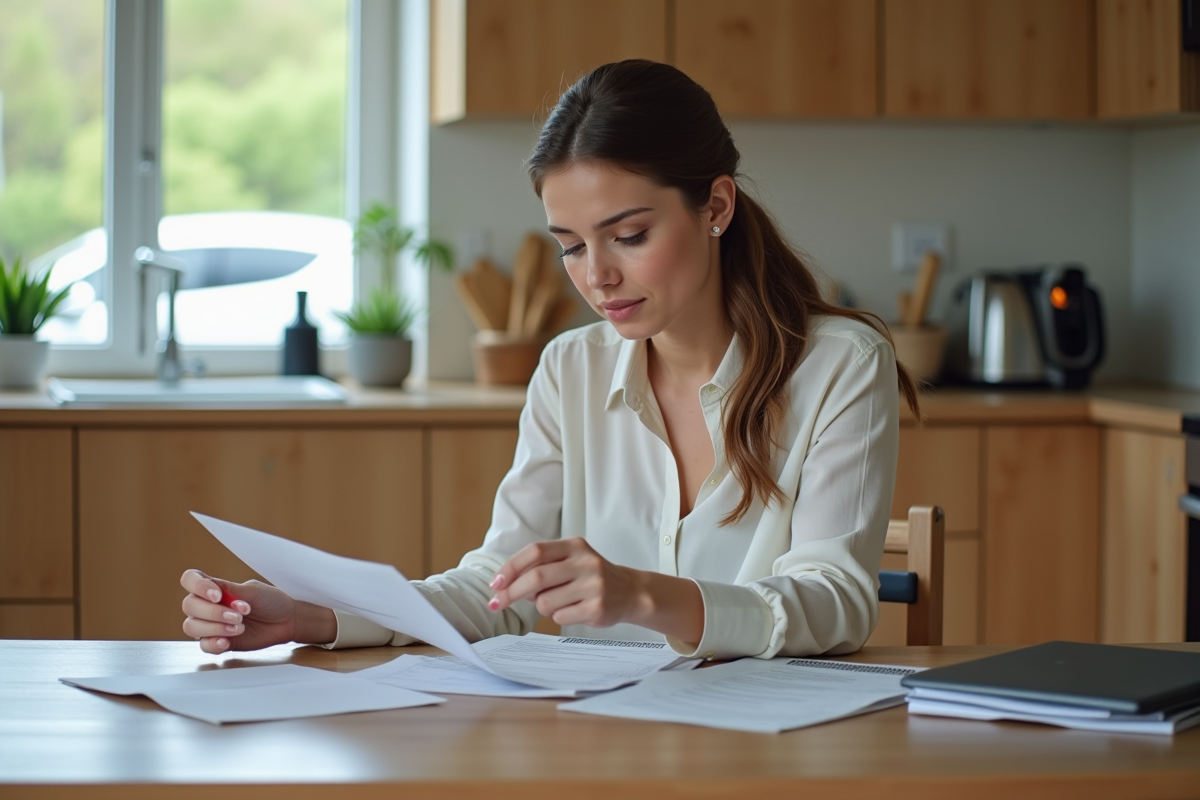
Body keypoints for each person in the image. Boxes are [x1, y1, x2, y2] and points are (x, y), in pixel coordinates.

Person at [180, 59, 921, 661]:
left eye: (628, 235)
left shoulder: (841, 366)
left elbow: (835, 601)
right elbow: (499, 589)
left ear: (716, 207)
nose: (595, 275)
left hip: (775, 753)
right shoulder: (571, 368)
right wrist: (319, 616)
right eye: (570, 245)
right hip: (603, 749)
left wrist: (643, 596)